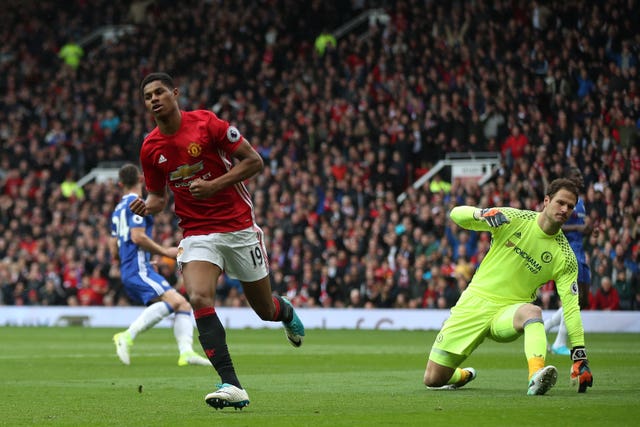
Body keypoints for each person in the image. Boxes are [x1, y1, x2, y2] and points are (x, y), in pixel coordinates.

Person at [130, 72, 305, 410]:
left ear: (175, 93)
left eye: (159, 92)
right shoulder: (151, 148)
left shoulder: (207, 124)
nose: (154, 99)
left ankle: (284, 311)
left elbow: (254, 161)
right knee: (197, 295)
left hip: (238, 227)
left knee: (264, 309)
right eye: (148, 95)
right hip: (197, 232)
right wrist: (145, 206)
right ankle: (232, 384)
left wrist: (214, 186)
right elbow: (157, 198)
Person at [423, 178, 593, 395]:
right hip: (474, 303)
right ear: (546, 201)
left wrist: (579, 354)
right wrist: (481, 214)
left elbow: (571, 307)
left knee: (533, 311)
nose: (565, 209)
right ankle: (464, 374)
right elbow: (456, 214)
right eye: (560, 202)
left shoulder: (566, 257)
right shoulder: (514, 218)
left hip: (509, 312)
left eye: (570, 206)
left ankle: (536, 377)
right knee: (433, 379)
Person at [109, 164, 210, 367]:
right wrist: (164, 252)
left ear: (120, 184)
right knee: (174, 301)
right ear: (140, 178)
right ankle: (127, 336)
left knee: (182, 304)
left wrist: (141, 259)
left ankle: (186, 353)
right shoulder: (136, 203)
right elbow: (137, 236)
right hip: (138, 268)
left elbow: (114, 248)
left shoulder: (117, 209)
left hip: (133, 267)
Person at [544, 167, 592, 355]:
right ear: (569, 180)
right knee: (575, 298)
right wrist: (579, 230)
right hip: (569, 251)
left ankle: (547, 327)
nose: (581, 178)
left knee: (583, 299)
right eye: (577, 176)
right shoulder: (564, 203)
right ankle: (560, 342)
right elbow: (556, 226)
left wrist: (589, 231)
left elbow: (579, 228)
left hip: (580, 251)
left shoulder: (580, 203)